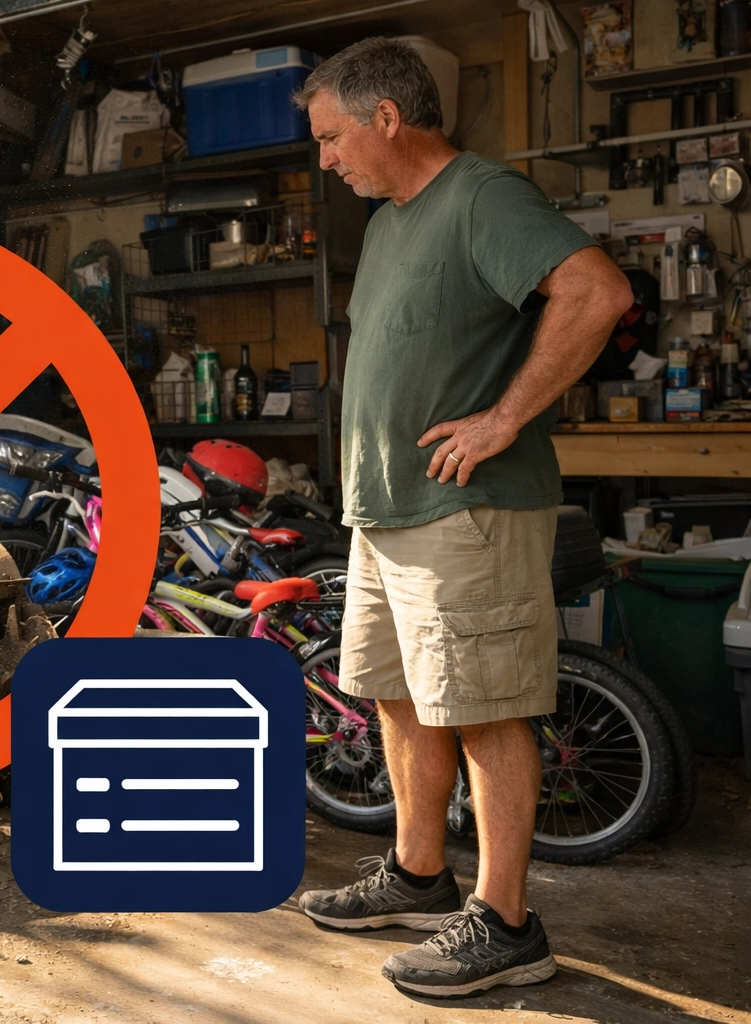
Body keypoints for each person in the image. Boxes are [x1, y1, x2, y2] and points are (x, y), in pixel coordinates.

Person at [289, 38, 633, 998]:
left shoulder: (482, 197)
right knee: (397, 695)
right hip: (386, 511)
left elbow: (598, 290)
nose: (326, 158)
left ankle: (508, 923)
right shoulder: (395, 219)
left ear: (386, 119)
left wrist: (502, 418)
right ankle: (418, 874)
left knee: (483, 709)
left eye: (331, 136)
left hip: (466, 510)